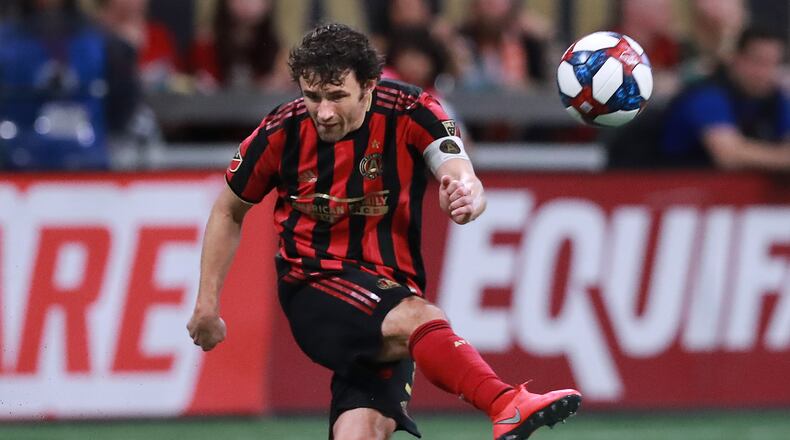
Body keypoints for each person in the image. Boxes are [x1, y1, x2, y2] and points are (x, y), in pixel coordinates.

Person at [186, 23, 581, 440]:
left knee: (363, 431)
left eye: (337, 96)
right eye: (312, 96)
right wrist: (207, 303)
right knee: (422, 317)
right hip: (315, 284)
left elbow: (461, 172)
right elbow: (229, 209)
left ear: (369, 85)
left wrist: (466, 196)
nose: (323, 111)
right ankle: (505, 403)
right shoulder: (281, 131)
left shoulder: (412, 111)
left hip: (392, 292)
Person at [0, 0, 139, 171]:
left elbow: (123, 103)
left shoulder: (105, 43)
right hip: (14, 168)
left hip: (89, 169)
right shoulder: (6, 42)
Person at [660, 27, 789, 169]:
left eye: (773, 63)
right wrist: (783, 157)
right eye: (757, 61)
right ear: (735, 58)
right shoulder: (705, 95)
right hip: (672, 178)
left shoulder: (775, 97)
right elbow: (729, 155)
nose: (764, 73)